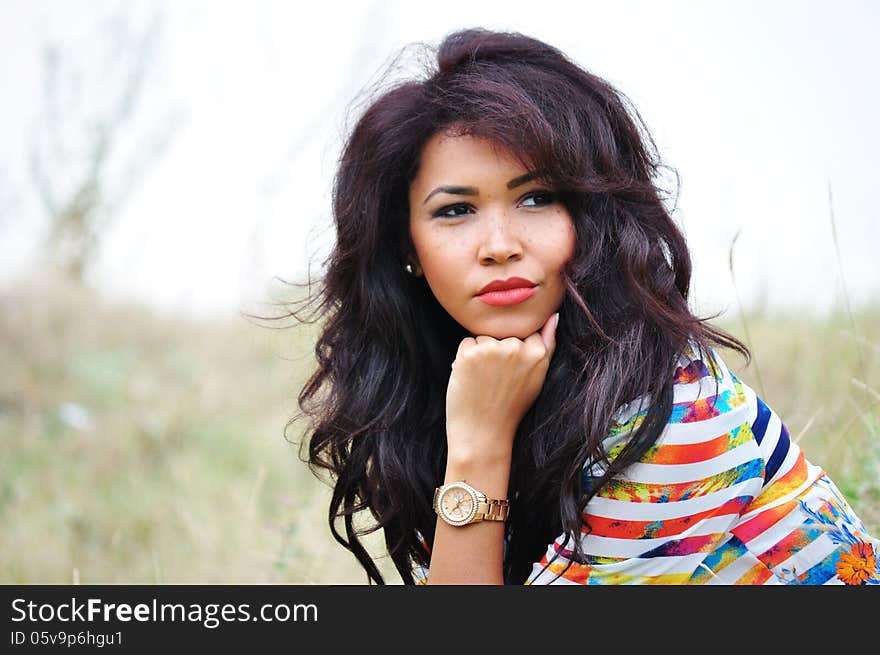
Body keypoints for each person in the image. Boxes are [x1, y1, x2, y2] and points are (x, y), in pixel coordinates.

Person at [290, 27, 879, 585]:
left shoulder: (676, 421)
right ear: (405, 247)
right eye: (455, 210)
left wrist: (479, 446)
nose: (499, 246)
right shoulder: (463, 388)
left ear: (593, 218)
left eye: (537, 198)